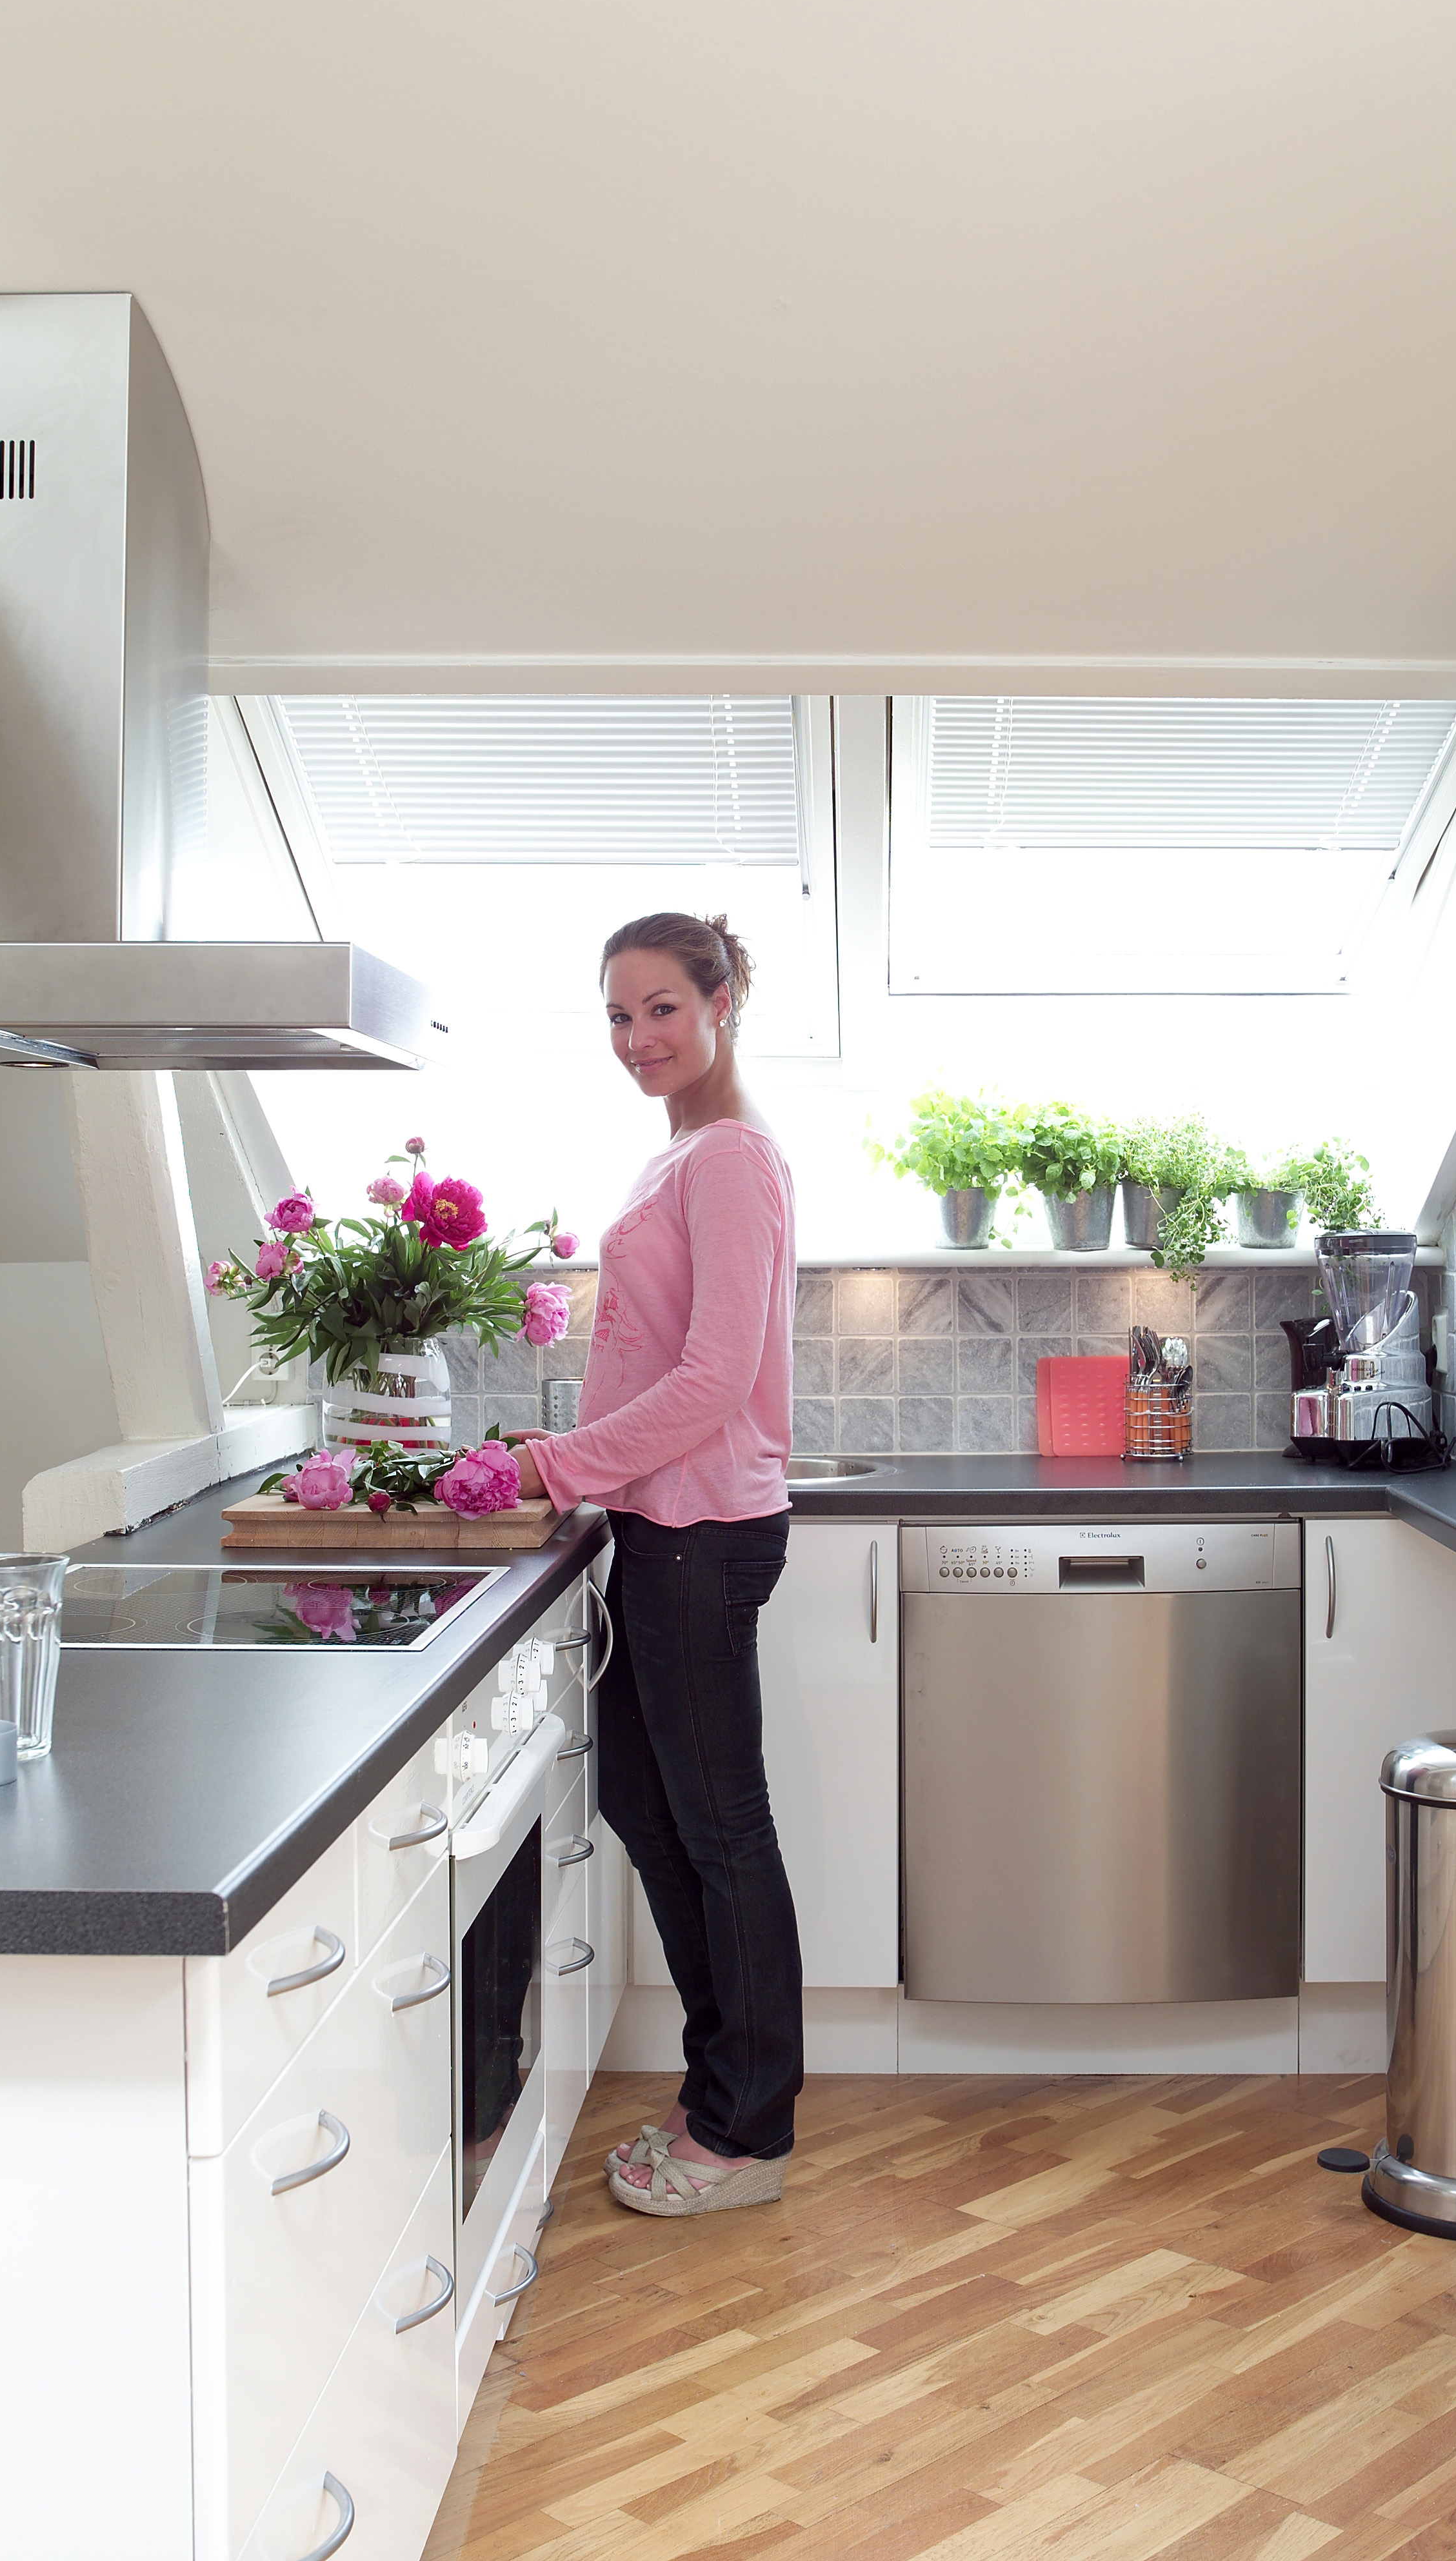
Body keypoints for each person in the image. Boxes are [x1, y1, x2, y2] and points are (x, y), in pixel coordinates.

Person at [512, 911, 800, 2218]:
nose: (637, 1038)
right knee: (650, 1803)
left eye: (662, 1009)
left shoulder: (730, 1157)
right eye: (619, 1016)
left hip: (701, 1530)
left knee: (721, 1826)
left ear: (722, 1000)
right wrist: (579, 1468)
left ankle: (746, 2132)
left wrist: (558, 1463)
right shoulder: (674, 1152)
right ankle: (717, 2082)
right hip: (657, 1523)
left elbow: (715, 1376)